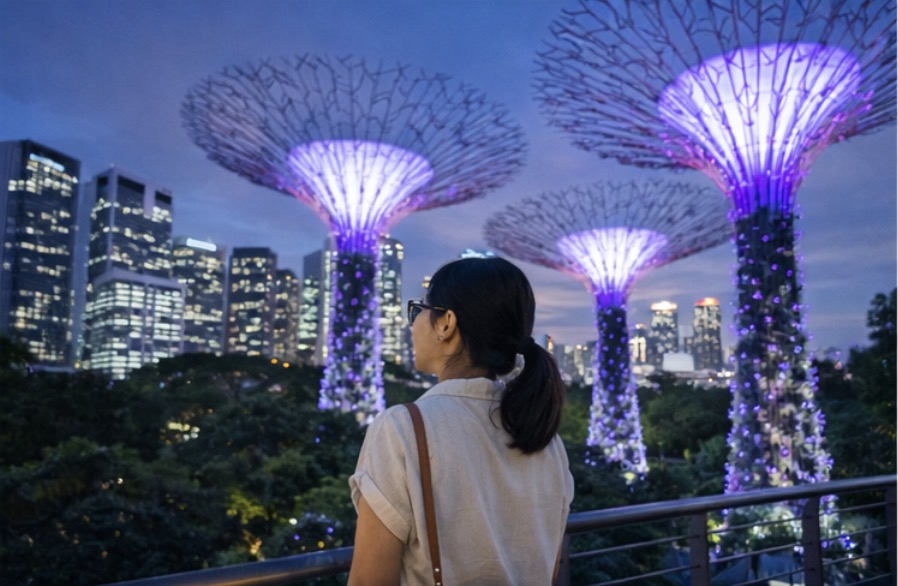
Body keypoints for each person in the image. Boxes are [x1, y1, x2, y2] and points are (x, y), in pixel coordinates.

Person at [348, 256, 574, 586]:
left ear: (446, 323)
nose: (413, 324)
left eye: (418, 311)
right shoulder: (547, 441)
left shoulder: (403, 429)